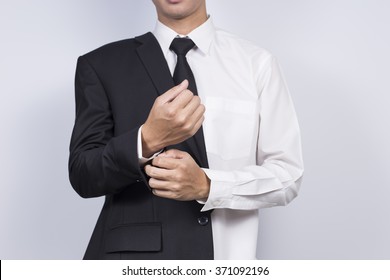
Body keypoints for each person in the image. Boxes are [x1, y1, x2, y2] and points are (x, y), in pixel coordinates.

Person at [69, 0, 304, 260]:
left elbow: (288, 175)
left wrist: (208, 186)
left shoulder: (256, 64)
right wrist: (146, 140)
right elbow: (83, 174)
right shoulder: (102, 65)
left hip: (227, 259)